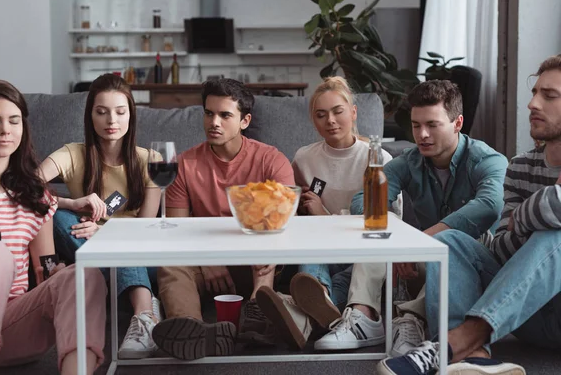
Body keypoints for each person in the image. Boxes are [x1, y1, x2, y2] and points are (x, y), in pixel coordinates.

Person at [377, 55, 561, 375]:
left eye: (549, 95)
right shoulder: (520, 166)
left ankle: (449, 346)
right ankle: (474, 357)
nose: (532, 103)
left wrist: (529, 216)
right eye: (534, 92)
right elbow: (504, 245)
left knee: (555, 237)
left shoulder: (488, 160)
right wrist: (547, 206)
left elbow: (496, 211)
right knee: (450, 240)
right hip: (524, 313)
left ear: (456, 124)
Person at [349, 80, 507, 356]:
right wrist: (400, 240)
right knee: (376, 229)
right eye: (415, 125)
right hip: (419, 266)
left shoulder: (488, 160)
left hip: (476, 268)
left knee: (449, 243)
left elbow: (489, 206)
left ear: (457, 123)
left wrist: (420, 242)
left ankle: (411, 317)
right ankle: (363, 317)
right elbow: (362, 203)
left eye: (432, 125)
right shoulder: (408, 161)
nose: (422, 134)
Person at [0, 79, 106, 374]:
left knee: (83, 274)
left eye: (14, 121)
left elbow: (45, 267)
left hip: (12, 329)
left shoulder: (35, 196)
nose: (5, 130)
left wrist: (57, 272)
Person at [151, 78, 295, 360]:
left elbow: (284, 222)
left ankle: (257, 314)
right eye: (208, 113)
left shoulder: (271, 160)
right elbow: (179, 228)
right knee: (171, 264)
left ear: (244, 121)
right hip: (206, 264)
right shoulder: (184, 163)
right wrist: (208, 259)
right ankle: (193, 331)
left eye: (225, 115)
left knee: (266, 247)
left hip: (256, 262)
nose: (214, 122)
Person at [255, 76, 398, 351]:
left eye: (337, 111)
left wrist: (326, 216)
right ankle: (319, 302)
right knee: (312, 252)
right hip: (322, 252)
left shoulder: (377, 159)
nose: (330, 120)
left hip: (362, 253)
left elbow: (388, 222)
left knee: (352, 267)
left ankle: (302, 312)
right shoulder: (304, 158)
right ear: (313, 121)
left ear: (353, 113)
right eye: (321, 115)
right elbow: (291, 213)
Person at [39, 74, 162, 359]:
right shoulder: (72, 154)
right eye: (101, 112)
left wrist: (105, 235)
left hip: (141, 254)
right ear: (90, 115)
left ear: (131, 114)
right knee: (59, 217)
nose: (111, 121)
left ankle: (142, 313)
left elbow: (145, 230)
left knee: (124, 249)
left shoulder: (150, 160)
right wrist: (73, 201)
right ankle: (146, 310)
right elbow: (24, 188)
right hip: (87, 245)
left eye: (120, 112)